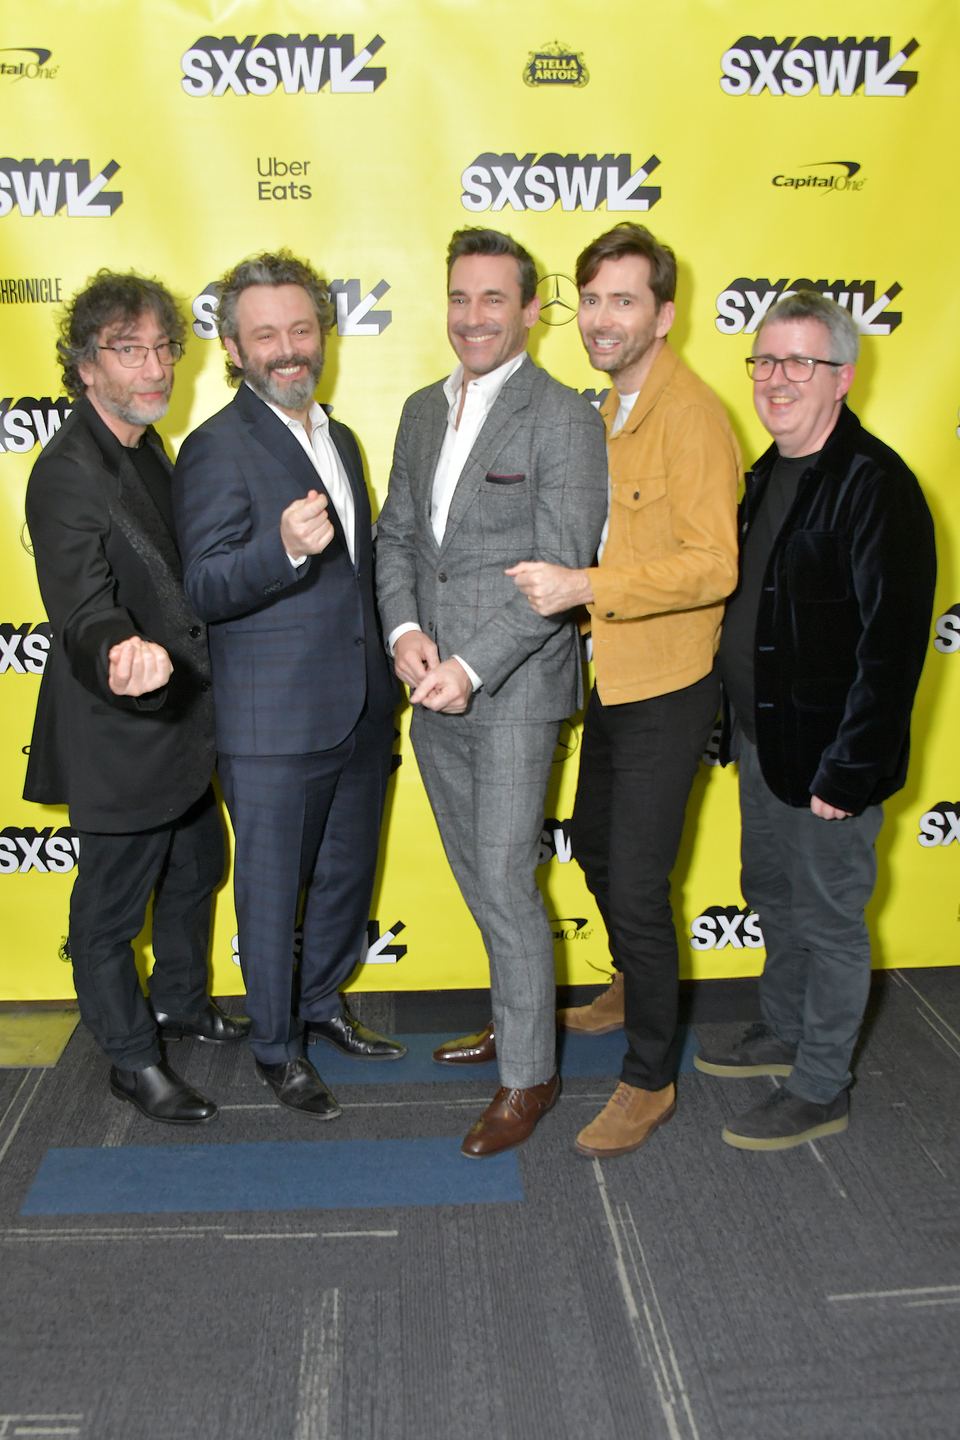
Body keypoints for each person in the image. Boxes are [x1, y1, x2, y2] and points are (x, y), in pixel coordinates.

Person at [508, 222, 741, 1157]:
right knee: (598, 850)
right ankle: (632, 988)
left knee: (638, 883)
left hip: (669, 682)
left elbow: (713, 565)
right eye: (594, 300)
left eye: (625, 301)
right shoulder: (607, 407)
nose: (603, 319)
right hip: (615, 674)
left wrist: (585, 586)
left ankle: (650, 1079)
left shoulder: (691, 416)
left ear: (664, 314)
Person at [376, 227, 608, 1157]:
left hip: (511, 688)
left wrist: (469, 668)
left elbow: (561, 568)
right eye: (459, 298)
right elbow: (398, 537)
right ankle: (520, 1019)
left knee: (506, 880)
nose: (472, 317)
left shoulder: (564, 419)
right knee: (478, 875)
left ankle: (529, 1076)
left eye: (493, 300)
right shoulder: (419, 410)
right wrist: (404, 632)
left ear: (530, 310)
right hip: (426, 682)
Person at [695, 290, 936, 1149]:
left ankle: (821, 1085)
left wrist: (852, 769)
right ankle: (786, 1028)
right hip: (764, 742)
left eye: (800, 361)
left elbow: (892, 650)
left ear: (843, 376)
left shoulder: (877, 485)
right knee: (773, 891)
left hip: (831, 759)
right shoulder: (766, 473)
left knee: (830, 917)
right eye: (765, 360)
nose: (777, 378)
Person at [173, 250, 403, 1120]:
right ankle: (276, 1046)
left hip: (359, 707)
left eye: (301, 329)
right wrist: (282, 549)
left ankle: (320, 1005)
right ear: (233, 350)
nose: (288, 348)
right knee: (271, 894)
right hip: (271, 722)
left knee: (345, 877)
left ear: (322, 335)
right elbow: (205, 585)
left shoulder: (338, 437)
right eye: (265, 335)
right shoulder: (214, 447)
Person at [23, 270, 246, 1126]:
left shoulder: (144, 444)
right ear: (86, 366)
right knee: (109, 912)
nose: (155, 368)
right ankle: (129, 1059)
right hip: (119, 726)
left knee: (197, 866)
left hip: (180, 720)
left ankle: (180, 1003)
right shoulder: (67, 471)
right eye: (129, 351)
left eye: (163, 348)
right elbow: (82, 606)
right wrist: (120, 651)